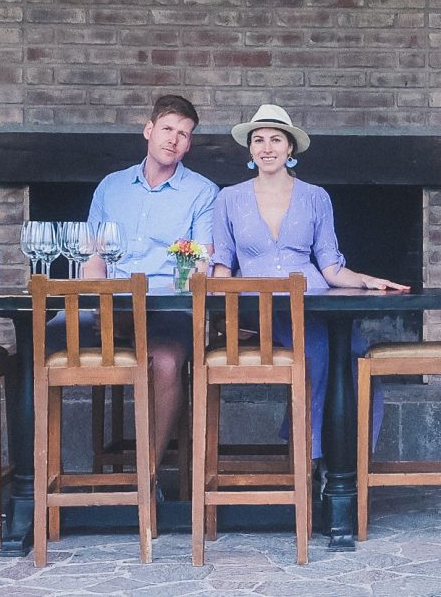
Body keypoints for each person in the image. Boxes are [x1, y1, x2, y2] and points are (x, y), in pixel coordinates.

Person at [211, 104, 409, 460]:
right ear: (250, 149)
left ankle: (351, 458)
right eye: (258, 140)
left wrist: (367, 281)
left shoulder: (316, 197)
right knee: (318, 352)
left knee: (357, 358)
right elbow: (223, 267)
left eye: (275, 139)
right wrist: (219, 308)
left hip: (313, 301)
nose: (266, 147)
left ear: (290, 149)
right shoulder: (228, 199)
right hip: (261, 308)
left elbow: (331, 267)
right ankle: (312, 457)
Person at [53, 94, 219, 466]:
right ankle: (35, 481)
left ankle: (148, 476)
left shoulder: (203, 193)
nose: (174, 140)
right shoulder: (111, 186)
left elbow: (202, 261)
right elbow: (92, 255)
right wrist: (100, 300)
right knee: (42, 337)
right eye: (167, 129)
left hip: (166, 311)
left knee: (164, 363)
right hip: (109, 308)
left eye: (184, 134)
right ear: (149, 130)